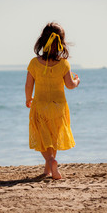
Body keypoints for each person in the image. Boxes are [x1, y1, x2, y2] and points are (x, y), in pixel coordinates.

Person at [25, 22, 80, 180]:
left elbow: (29, 85)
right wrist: (77, 81)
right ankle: (48, 170)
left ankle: (50, 161)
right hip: (58, 107)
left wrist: (28, 99)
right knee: (53, 137)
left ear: (42, 41)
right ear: (61, 43)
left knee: (43, 139)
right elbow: (70, 85)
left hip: (40, 105)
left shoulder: (34, 63)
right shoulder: (64, 64)